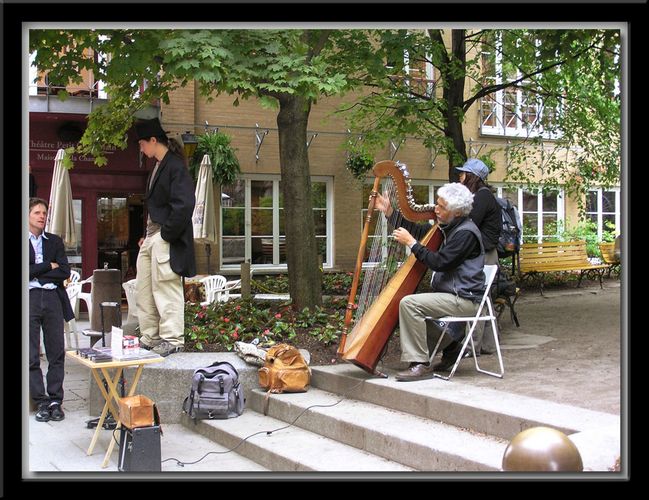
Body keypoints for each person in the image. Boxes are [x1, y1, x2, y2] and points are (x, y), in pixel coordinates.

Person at [374, 183, 485, 381]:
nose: (436, 209)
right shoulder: (447, 227)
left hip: (465, 299)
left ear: (457, 212)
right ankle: (451, 345)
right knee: (403, 305)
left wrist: (411, 244)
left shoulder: (465, 233)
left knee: (409, 304)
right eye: (438, 204)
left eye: (442, 207)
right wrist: (390, 212)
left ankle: (420, 364)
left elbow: (440, 262)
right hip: (452, 295)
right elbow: (416, 230)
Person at [134, 117, 196, 357]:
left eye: (142, 144)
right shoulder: (159, 166)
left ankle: (172, 339)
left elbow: (184, 205)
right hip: (153, 237)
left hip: (163, 237)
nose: (140, 148)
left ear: (152, 140)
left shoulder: (174, 165)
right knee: (144, 288)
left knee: (165, 288)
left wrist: (165, 236)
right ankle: (150, 336)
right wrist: (147, 237)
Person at [29, 197, 74, 421]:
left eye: (44, 213)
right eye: (37, 212)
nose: (42, 216)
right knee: (30, 354)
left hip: (54, 297)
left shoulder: (54, 242)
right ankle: (41, 401)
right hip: (30, 297)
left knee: (56, 350)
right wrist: (48, 265)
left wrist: (35, 271)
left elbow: (64, 271)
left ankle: (56, 400)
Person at [455, 158, 501, 355]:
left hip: (485, 255)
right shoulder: (482, 195)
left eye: (463, 173)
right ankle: (489, 345)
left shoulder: (482, 197)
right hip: (483, 253)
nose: (460, 177)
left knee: (477, 298)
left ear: (472, 176)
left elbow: (469, 225)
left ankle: (471, 346)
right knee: (485, 299)